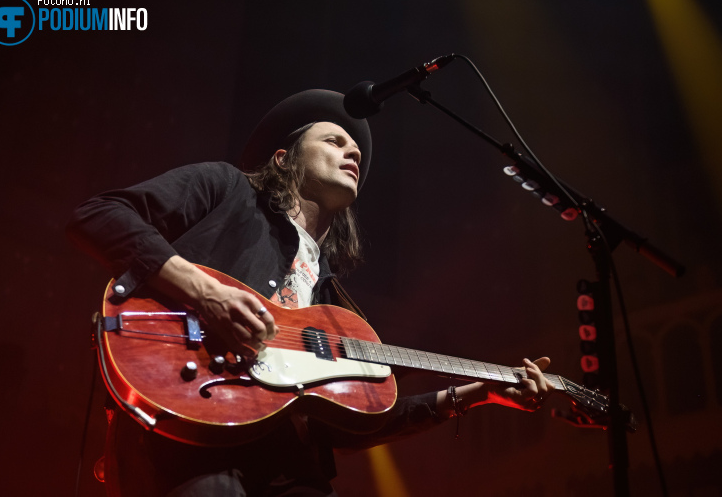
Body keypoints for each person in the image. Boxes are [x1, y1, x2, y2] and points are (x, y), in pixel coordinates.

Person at [67, 89, 554, 496]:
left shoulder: (334, 307)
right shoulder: (226, 189)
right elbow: (99, 216)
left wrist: (476, 394)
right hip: (187, 431)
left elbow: (354, 420)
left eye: (356, 151)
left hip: (290, 468)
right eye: (335, 141)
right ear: (284, 157)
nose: (353, 153)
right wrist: (203, 291)